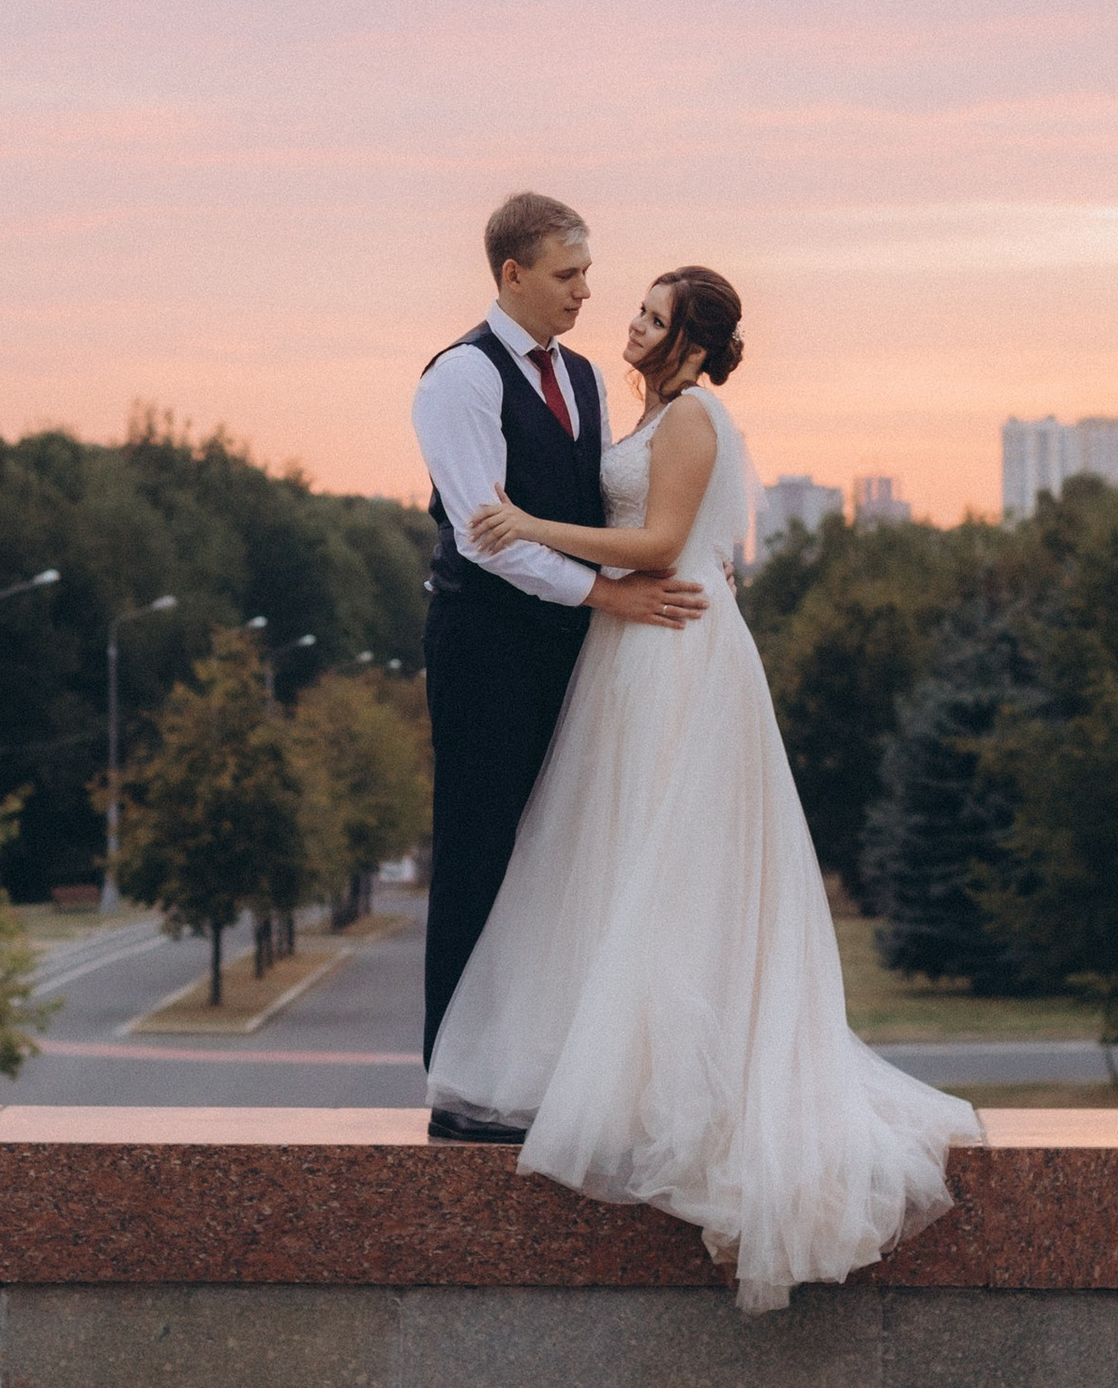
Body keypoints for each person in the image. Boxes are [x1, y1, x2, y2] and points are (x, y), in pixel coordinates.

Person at [427, 265, 979, 1311]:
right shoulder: (638, 411)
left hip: (675, 651)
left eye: (652, 317)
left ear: (688, 342)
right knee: (619, 856)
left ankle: (683, 1089)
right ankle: (621, 1077)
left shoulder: (690, 419)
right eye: (634, 309)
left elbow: (659, 545)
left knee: (668, 862)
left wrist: (528, 526)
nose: (629, 323)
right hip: (630, 644)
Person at [412, 193, 713, 1138]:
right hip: (485, 649)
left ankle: (532, 1074)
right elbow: (487, 537)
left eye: (587, 273)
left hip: (574, 652)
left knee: (555, 857)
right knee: (480, 852)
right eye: (566, 274)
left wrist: (681, 562)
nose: (586, 292)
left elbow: (593, 513)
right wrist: (608, 598)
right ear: (512, 275)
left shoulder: (581, 377)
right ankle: (457, 1091)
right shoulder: (459, 378)